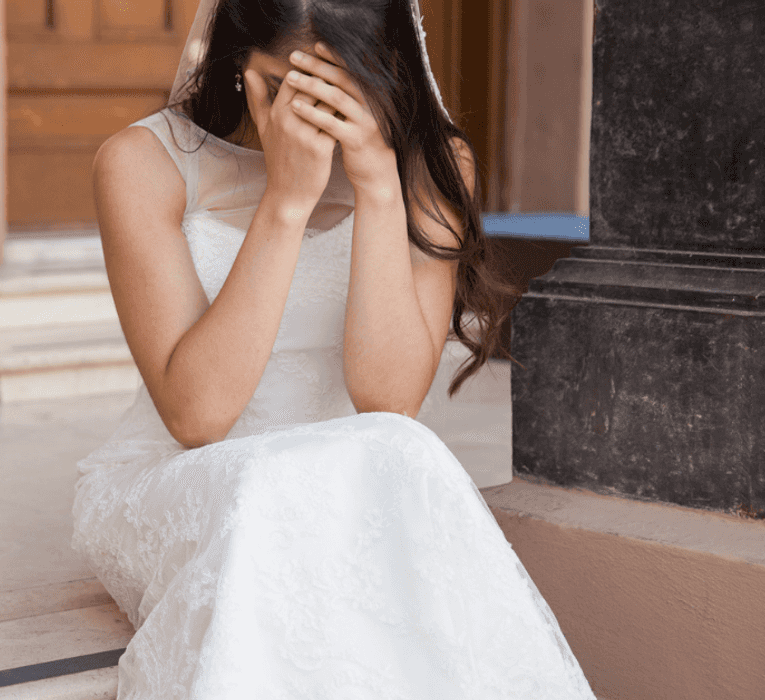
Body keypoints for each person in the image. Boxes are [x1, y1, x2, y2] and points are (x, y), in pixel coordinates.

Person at [71, 0, 599, 697]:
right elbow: (198, 418)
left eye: (343, 91)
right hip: (201, 479)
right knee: (283, 489)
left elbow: (387, 401)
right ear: (239, 66)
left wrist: (379, 187)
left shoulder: (432, 166)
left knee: (400, 451)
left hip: (360, 476)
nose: (316, 115)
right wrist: (286, 202)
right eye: (292, 89)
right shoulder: (144, 163)